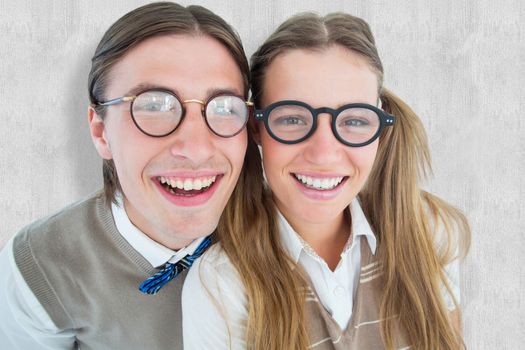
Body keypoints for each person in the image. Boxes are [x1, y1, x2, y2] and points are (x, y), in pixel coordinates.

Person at [183, 12, 471, 350]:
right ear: (257, 128)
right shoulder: (222, 284)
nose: (324, 154)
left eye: (354, 121)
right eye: (292, 118)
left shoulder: (429, 231)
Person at [0, 2, 257, 349]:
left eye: (225, 108)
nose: (196, 148)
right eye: (154, 105)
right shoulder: (40, 266)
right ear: (101, 132)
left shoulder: (294, 236)